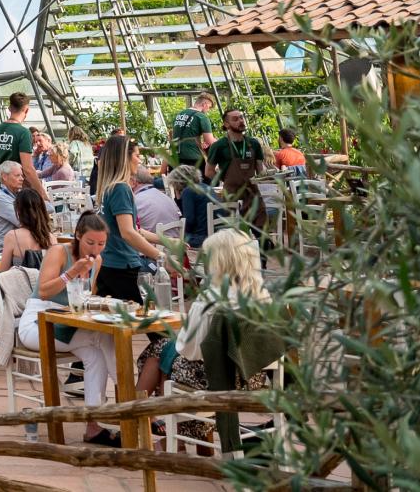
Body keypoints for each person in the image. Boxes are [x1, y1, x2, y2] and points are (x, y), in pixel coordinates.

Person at [148, 229, 274, 448]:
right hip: (254, 378)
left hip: (218, 381)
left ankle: (155, 427)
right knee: (162, 351)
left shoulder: (210, 300)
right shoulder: (263, 296)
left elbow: (189, 350)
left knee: (162, 353)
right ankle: (186, 437)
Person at [17, 212, 122, 447]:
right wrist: (72, 272)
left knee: (97, 353)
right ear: (77, 236)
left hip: (68, 323)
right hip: (38, 323)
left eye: (101, 244)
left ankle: (93, 424)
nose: (95, 249)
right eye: (90, 242)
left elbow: (84, 299)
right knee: (101, 338)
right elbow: (44, 291)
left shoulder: (97, 262)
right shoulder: (59, 252)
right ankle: (130, 394)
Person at [94, 135, 165, 304]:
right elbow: (127, 232)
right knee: (152, 322)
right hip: (123, 264)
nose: (140, 160)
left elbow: (133, 229)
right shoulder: (120, 188)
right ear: (124, 158)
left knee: (112, 323)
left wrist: (166, 241)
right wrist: (160, 256)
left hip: (108, 263)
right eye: (137, 155)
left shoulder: (107, 188)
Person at [205, 108, 269, 232]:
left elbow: (260, 171)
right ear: (226, 124)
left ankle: (262, 250)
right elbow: (209, 172)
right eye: (235, 119)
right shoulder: (219, 146)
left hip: (252, 194)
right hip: (231, 194)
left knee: (261, 231)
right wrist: (225, 180)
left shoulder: (253, 143)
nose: (240, 121)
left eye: (241, 117)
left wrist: (271, 177)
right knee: (235, 232)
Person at [0, 93, 49, 200]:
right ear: (26, 110)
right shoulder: (23, 132)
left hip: (2, 186)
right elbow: (28, 168)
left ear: (9, 108)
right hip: (19, 189)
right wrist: (42, 193)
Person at [0, 188, 55, 269]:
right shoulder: (51, 238)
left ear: (18, 210)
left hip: (20, 281)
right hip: (44, 280)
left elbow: (3, 270)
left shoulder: (12, 236)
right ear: (42, 210)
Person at [168, 165, 213, 248]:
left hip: (203, 238)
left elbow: (188, 222)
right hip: (216, 233)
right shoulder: (206, 186)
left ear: (177, 182)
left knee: (173, 236)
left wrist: (178, 197)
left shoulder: (188, 192)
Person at [171, 93, 218, 168]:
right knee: (204, 179)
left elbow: (173, 134)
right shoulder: (202, 117)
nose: (208, 110)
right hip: (193, 158)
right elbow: (209, 141)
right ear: (205, 104)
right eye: (209, 107)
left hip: (175, 158)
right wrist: (220, 141)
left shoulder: (179, 114)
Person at [0, 162, 26, 253]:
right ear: (5, 177)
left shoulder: (18, 195)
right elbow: (22, 222)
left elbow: (50, 208)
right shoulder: (0, 198)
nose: (22, 179)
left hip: (22, 245)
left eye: (22, 175)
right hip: (7, 250)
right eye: (17, 176)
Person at [131, 168, 182, 233]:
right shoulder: (166, 197)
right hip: (177, 240)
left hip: (153, 241)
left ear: (133, 182)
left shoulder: (135, 201)